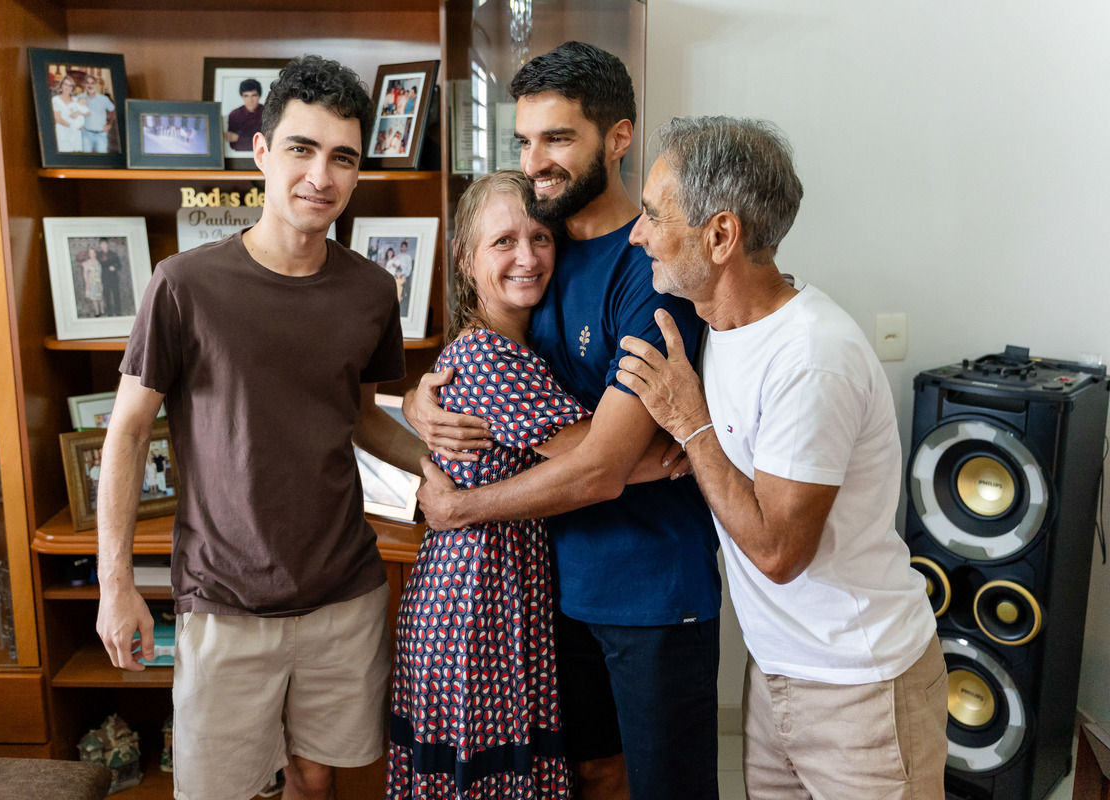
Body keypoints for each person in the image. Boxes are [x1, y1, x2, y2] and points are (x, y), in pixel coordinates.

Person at [95, 54, 427, 800]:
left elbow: (361, 417)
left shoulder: (374, 290)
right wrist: (115, 586)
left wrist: (438, 470)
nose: (321, 175)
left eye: (343, 157)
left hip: (345, 592)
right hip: (225, 601)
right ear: (261, 152)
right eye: (302, 149)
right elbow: (127, 433)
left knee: (316, 775)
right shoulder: (184, 284)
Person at [405, 42, 721, 800]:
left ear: (618, 138)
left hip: (649, 585)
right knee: (588, 775)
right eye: (524, 140)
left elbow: (602, 467)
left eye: (558, 138)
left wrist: (458, 507)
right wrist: (425, 398)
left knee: (663, 786)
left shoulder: (651, 270)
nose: (535, 160)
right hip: (555, 584)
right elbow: (488, 365)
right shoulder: (544, 254)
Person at [617, 115, 947, 799]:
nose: (637, 234)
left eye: (653, 214)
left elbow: (777, 553)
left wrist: (693, 427)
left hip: (861, 687)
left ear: (721, 236)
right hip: (775, 673)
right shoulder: (719, 327)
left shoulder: (811, 357)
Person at [387, 170, 590, 798]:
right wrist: (682, 448)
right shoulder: (489, 357)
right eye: (503, 241)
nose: (527, 257)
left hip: (495, 589)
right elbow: (599, 457)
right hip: (479, 602)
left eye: (540, 238)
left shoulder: (512, 346)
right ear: (464, 259)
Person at [80, 73, 117, 154]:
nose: (90, 85)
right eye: (87, 83)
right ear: (84, 85)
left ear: (96, 85)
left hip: (101, 135)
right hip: (86, 134)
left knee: (102, 158)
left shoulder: (104, 99)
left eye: (92, 83)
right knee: (85, 158)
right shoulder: (79, 97)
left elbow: (113, 110)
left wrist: (110, 124)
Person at [52, 74, 88, 153]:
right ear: (61, 85)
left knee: (76, 157)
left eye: (70, 85)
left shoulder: (76, 100)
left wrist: (82, 124)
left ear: (72, 88)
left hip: (76, 135)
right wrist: (73, 126)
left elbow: (82, 114)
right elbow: (58, 119)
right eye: (65, 84)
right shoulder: (55, 100)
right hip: (63, 133)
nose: (68, 87)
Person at [227, 78, 264, 152]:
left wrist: (239, 138)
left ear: (259, 95)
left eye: (254, 95)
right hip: (239, 155)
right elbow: (232, 143)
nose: (250, 100)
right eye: (246, 96)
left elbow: (267, 142)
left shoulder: (268, 112)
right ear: (242, 96)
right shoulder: (234, 115)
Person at [97, 238, 124, 317]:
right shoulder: (98, 255)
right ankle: (109, 312)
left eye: (105, 244)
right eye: (102, 244)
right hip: (104, 279)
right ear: (100, 245)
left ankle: (118, 311)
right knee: (107, 296)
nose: (104, 246)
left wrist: (114, 268)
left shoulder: (114, 254)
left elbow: (119, 266)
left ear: (108, 244)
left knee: (116, 295)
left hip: (113, 279)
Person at [80, 247, 104, 317]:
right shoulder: (86, 263)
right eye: (90, 253)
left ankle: (102, 311)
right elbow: (85, 274)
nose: (92, 254)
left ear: (95, 253)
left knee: (101, 298)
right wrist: (87, 283)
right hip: (92, 283)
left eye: (93, 253)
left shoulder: (99, 262)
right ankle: (97, 312)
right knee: (94, 298)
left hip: (99, 283)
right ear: (89, 254)